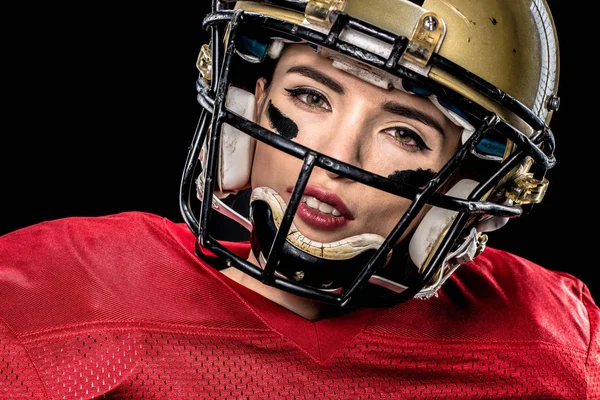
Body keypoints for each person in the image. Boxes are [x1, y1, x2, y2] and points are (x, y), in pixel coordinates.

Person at [1, 0, 597, 398]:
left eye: (404, 132)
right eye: (313, 97)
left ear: (459, 181)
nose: (338, 159)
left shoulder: (546, 339)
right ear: (252, 99)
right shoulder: (52, 293)